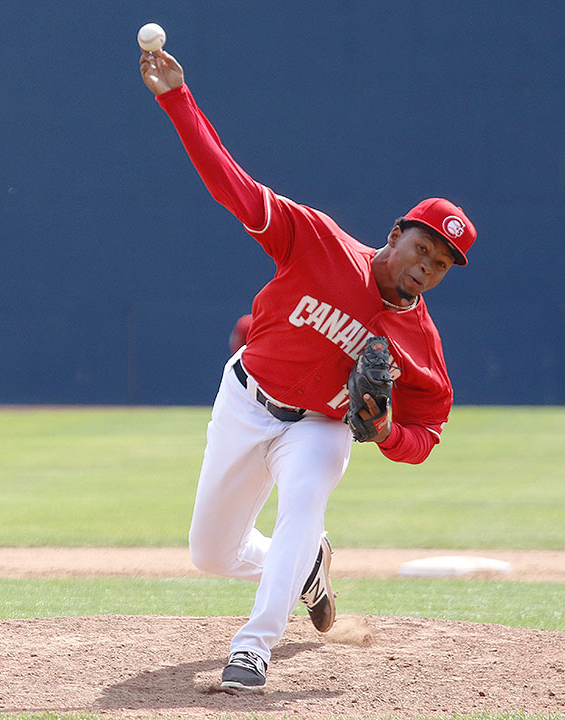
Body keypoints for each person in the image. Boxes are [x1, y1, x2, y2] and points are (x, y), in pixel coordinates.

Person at [139, 48, 477, 693]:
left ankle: (253, 649)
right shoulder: (317, 240)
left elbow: (426, 431)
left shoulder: (419, 343)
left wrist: (382, 433)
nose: (425, 267)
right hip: (245, 399)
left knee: (303, 504)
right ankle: (309, 570)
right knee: (210, 555)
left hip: (320, 428)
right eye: (422, 248)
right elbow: (230, 185)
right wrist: (177, 99)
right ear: (396, 234)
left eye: (439, 264)